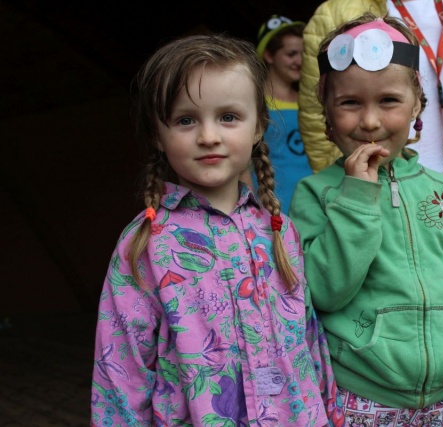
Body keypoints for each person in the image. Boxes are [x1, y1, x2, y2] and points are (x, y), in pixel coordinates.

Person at [90, 33, 344, 427]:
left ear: (259, 126)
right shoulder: (145, 244)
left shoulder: (279, 230)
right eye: (186, 120)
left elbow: (311, 344)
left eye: (228, 117)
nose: (209, 136)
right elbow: (121, 375)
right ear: (157, 135)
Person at [298, 1, 443, 426]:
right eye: (349, 103)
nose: (370, 121)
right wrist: (356, 199)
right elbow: (324, 291)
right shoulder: (315, 195)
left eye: (389, 100)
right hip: (360, 400)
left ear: (417, 105)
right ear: (326, 113)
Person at [253, 14, 313, 214]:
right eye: (291, 54)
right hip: (269, 204)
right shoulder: (253, 101)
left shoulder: (310, 101)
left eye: (303, 54)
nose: (299, 61)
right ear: (269, 56)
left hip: (312, 203)